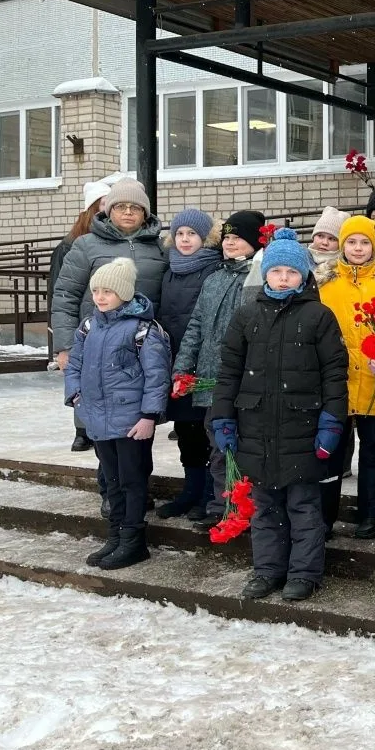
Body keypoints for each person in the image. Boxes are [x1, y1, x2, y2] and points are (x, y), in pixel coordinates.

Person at [211, 229, 348, 602]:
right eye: (276, 271)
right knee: (265, 507)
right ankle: (268, 569)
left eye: (291, 272)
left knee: (304, 507)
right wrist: (223, 418)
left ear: (303, 275)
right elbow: (229, 373)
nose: (283, 278)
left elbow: (335, 375)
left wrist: (331, 423)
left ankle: (304, 573)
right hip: (255, 426)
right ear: (265, 274)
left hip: (302, 427)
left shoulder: (319, 316)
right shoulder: (246, 316)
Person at [64, 258, 170, 570]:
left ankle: (133, 541)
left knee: (131, 481)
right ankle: (116, 536)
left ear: (123, 293)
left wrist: (149, 416)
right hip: (98, 418)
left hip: (131, 422)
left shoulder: (142, 330)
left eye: (107, 291)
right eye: (96, 290)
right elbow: (75, 364)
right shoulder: (89, 326)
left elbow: (157, 376)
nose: (100, 296)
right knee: (111, 481)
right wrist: (76, 395)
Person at [171, 210, 264, 528]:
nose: (230, 243)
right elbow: (196, 326)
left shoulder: (261, 277)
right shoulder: (214, 279)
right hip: (213, 380)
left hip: (248, 381)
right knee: (219, 446)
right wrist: (183, 367)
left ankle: (250, 509)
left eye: (238, 238)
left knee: (246, 446)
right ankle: (221, 507)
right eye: (227, 238)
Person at [317, 214, 375, 539]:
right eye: (351, 242)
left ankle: (372, 513)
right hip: (334, 380)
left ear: (374, 245)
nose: (357, 248)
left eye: (364, 242)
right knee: (330, 453)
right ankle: (323, 517)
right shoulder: (324, 283)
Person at [51, 178, 167, 372]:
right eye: (120, 206)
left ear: (145, 213)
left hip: (147, 348)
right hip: (96, 346)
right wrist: (66, 347)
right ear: (109, 210)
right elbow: (66, 297)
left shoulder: (162, 247)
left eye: (135, 207)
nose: (128, 212)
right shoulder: (86, 245)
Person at [155, 208, 221, 520]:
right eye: (180, 233)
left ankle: (209, 493)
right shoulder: (169, 268)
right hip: (175, 359)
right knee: (185, 429)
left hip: (202, 361)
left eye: (192, 234)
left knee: (204, 428)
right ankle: (191, 490)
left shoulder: (213, 267)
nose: (185, 239)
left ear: (205, 238)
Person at [49, 180, 112, 452]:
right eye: (103, 204)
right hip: (80, 323)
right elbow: (60, 291)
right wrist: (62, 336)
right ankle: (82, 429)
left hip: (105, 320)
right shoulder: (69, 246)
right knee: (81, 376)